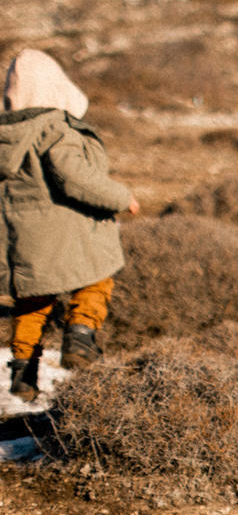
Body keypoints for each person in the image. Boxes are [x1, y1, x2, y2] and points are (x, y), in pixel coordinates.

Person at [1, 49, 137, 400]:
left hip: (22, 239)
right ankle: (80, 337)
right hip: (68, 232)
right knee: (96, 277)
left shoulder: (7, 136)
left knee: (32, 301)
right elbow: (76, 177)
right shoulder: (55, 130)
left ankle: (22, 372)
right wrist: (121, 198)